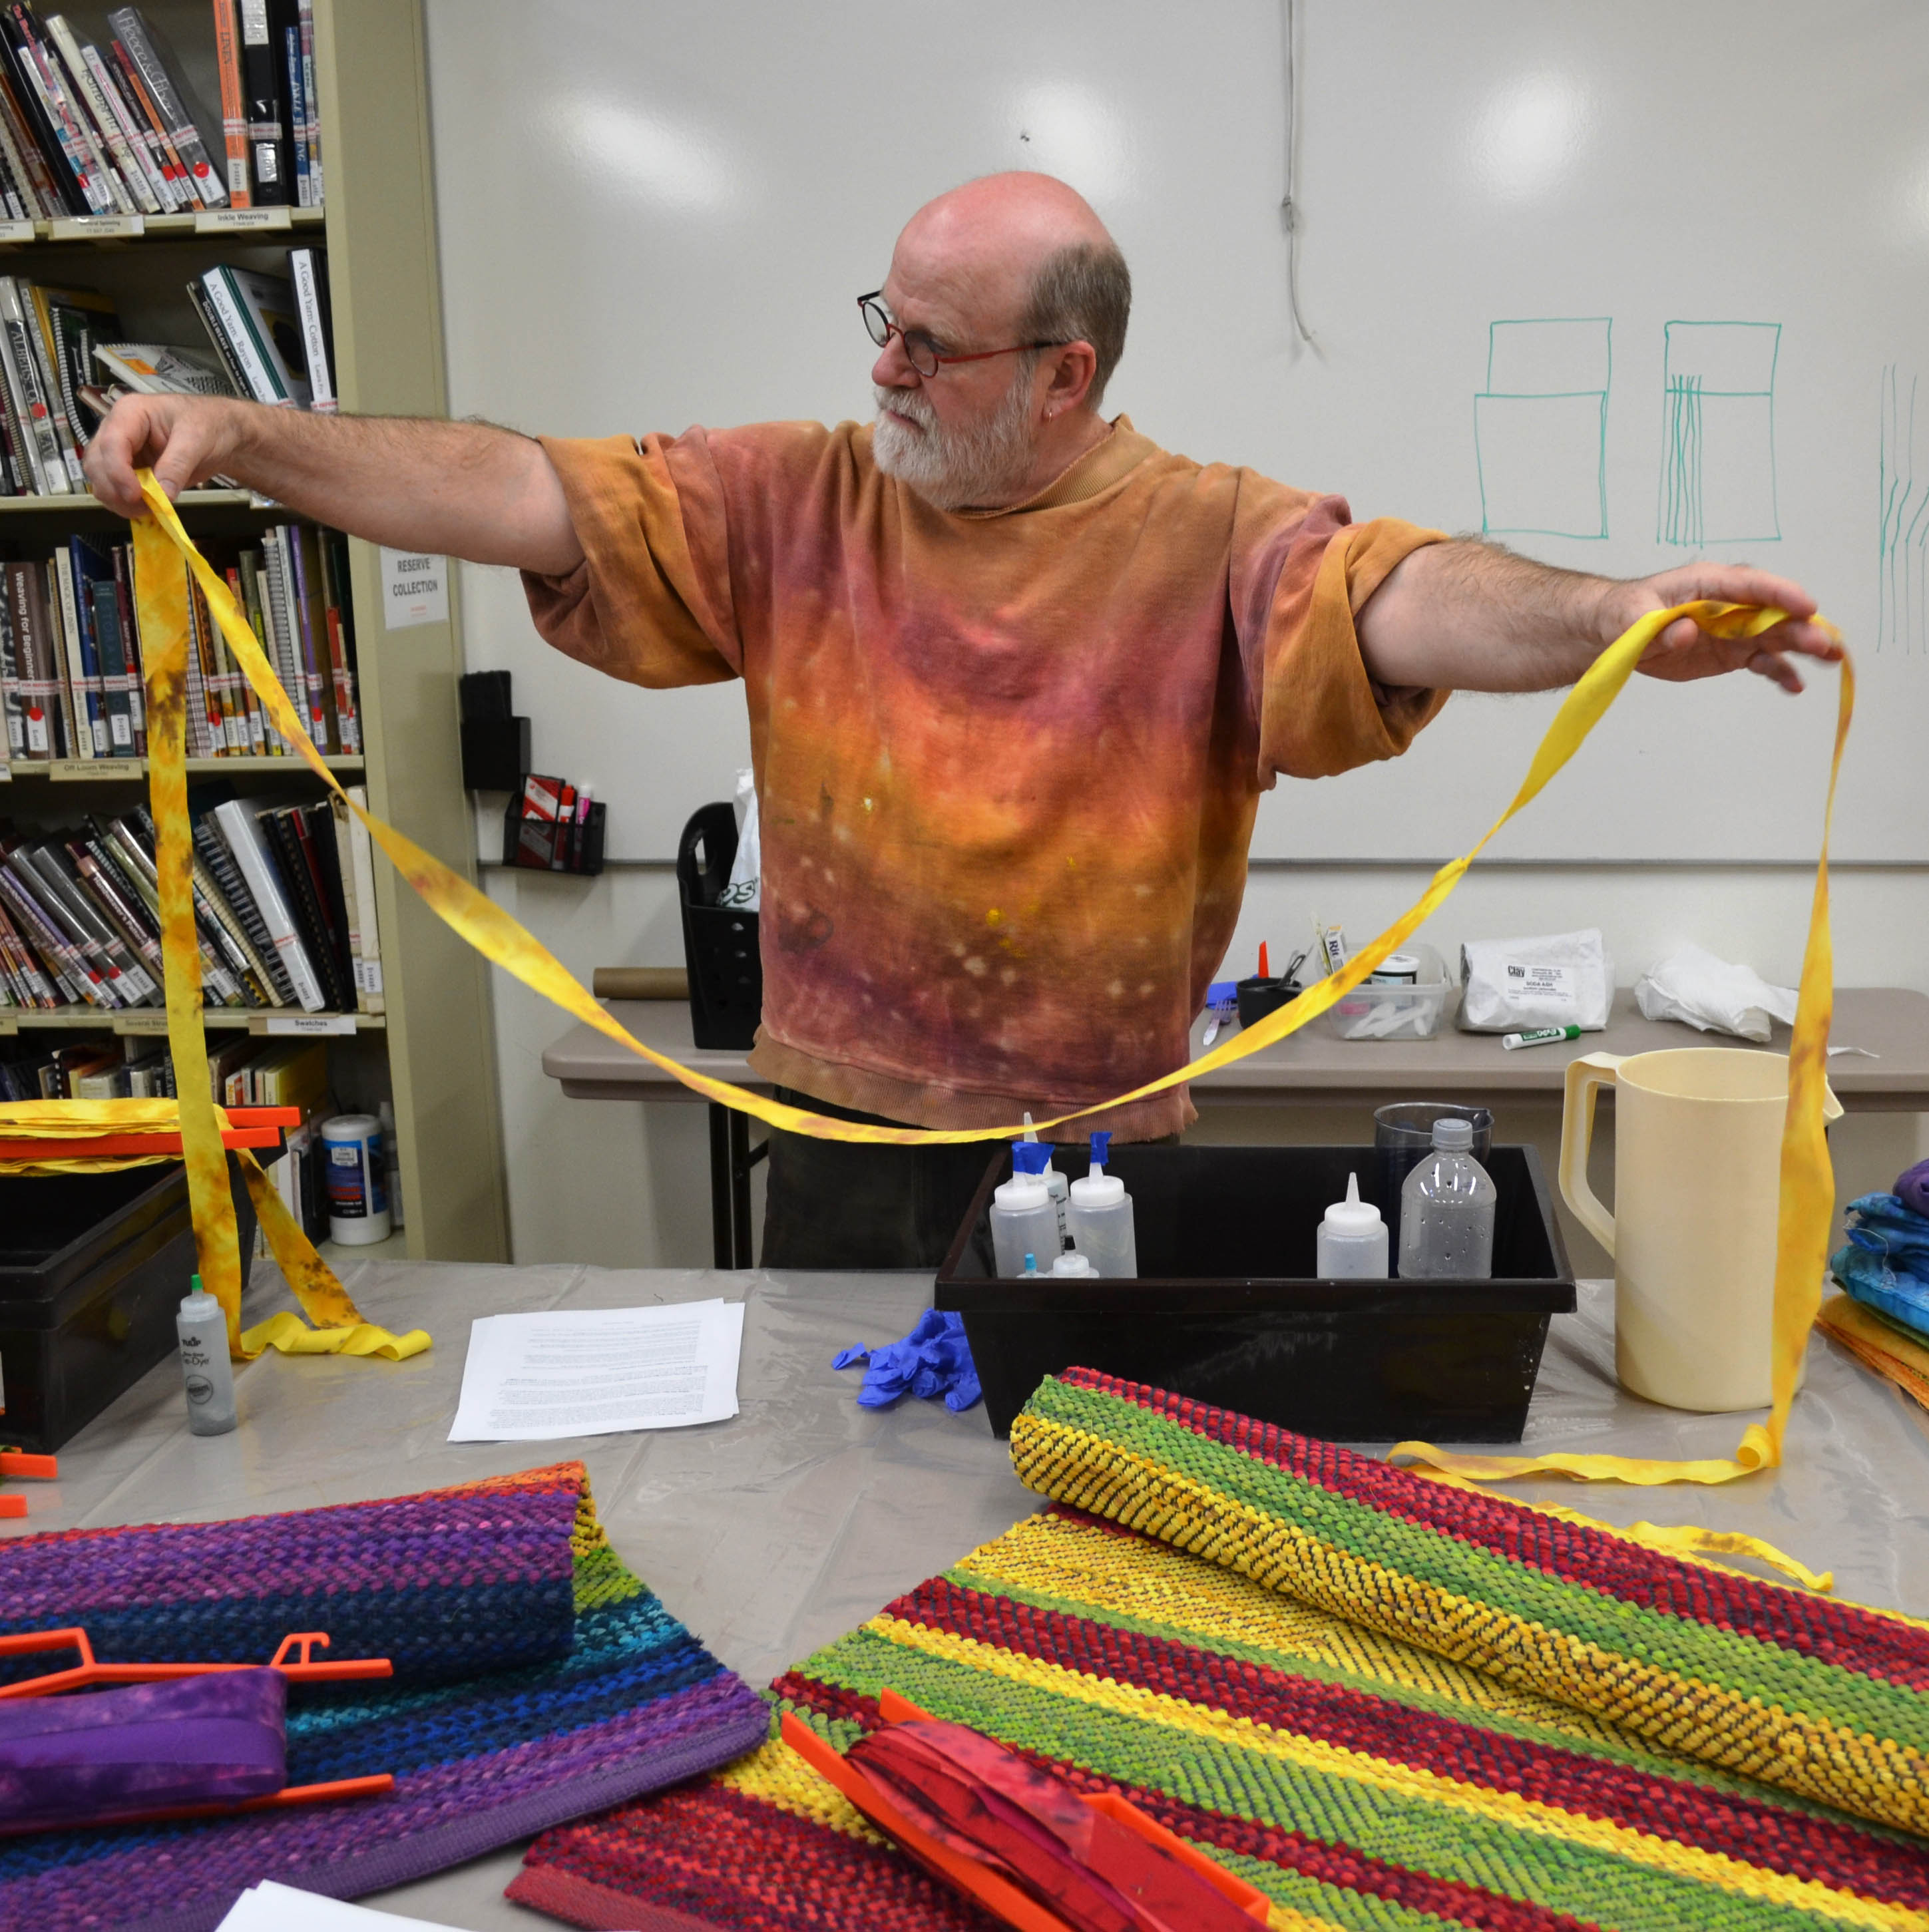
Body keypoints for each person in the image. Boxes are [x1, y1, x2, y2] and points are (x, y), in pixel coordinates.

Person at [83, 172, 1840, 1270]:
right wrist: (246, 436)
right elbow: (517, 485)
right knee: (814, 1527)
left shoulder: (1213, 532)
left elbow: (1404, 593)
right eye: (883, 324)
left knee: (1077, 1567)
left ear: (1065, 374)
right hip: (837, 1136)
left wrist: (1613, 620)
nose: (882, 370)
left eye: (932, 345)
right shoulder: (798, 497)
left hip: (1105, 1155)